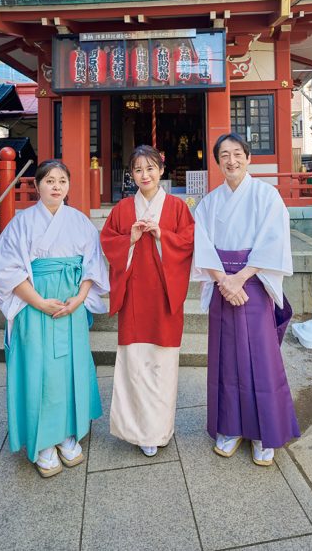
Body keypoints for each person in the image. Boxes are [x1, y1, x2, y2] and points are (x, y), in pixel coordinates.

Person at [0, 160, 109, 478]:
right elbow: (5, 268)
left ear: (69, 186)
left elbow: (93, 265)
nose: (56, 186)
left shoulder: (79, 222)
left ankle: (69, 432)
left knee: (71, 368)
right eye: (49, 180)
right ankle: (42, 442)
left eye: (62, 180)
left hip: (71, 305)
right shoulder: (22, 222)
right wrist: (39, 302)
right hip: (34, 305)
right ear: (37, 185)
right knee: (40, 371)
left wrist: (80, 298)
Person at [193, 133, 299, 466]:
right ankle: (230, 428)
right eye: (224, 155)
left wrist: (240, 277)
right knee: (225, 359)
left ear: (249, 157)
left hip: (252, 284)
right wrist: (223, 279)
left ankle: (261, 433)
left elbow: (274, 240)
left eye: (237, 153)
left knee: (260, 359)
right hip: (222, 284)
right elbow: (203, 247)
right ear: (217, 161)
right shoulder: (209, 202)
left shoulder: (267, 196)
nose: (231, 160)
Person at [100, 145, 194, 457]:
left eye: (150, 168)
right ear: (131, 175)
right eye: (138, 170)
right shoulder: (122, 210)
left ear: (161, 171)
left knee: (162, 366)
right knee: (134, 364)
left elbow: (187, 242)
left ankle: (158, 429)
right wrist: (131, 238)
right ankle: (135, 430)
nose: (145, 175)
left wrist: (161, 235)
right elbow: (108, 241)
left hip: (165, 299)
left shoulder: (178, 208)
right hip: (134, 299)